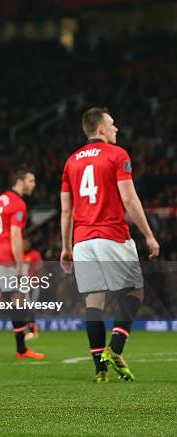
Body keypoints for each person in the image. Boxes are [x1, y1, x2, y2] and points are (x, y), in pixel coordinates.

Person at [60, 107, 160, 382]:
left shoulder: (71, 161)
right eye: (113, 125)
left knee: (94, 299)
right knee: (135, 292)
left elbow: (66, 211)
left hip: (82, 241)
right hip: (111, 234)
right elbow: (129, 199)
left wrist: (66, 247)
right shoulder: (117, 154)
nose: (117, 129)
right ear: (101, 129)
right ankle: (115, 349)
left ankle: (99, 369)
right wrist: (149, 235)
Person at [0, 168, 45, 360]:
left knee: (11, 298)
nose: (33, 184)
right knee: (7, 298)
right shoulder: (18, 203)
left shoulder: (2, 198)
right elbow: (14, 235)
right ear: (20, 182)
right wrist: (19, 263)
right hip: (6, 256)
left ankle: (19, 349)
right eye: (31, 180)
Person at [22, 238, 43, 340]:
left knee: (30, 307)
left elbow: (39, 268)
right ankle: (29, 328)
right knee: (24, 307)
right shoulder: (19, 254)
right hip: (22, 285)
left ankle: (32, 330)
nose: (23, 245)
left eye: (25, 243)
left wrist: (35, 281)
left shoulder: (34, 255)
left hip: (32, 285)